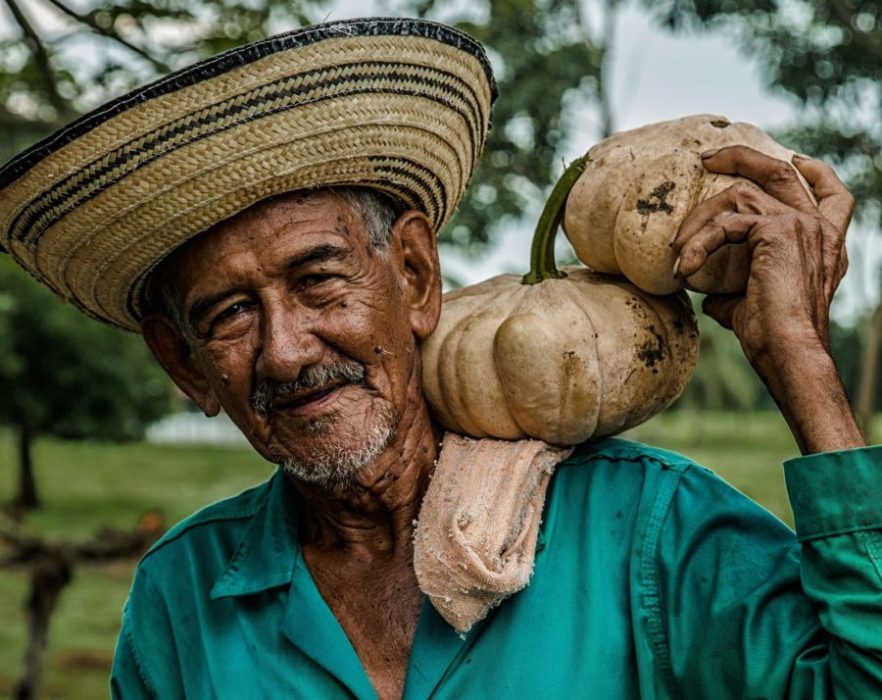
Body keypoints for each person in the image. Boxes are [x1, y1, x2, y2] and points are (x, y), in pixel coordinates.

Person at [0, 17, 878, 700]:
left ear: (416, 276)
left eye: (318, 281)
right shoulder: (183, 593)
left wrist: (797, 356)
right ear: (185, 364)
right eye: (228, 315)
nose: (285, 350)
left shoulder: (646, 529)